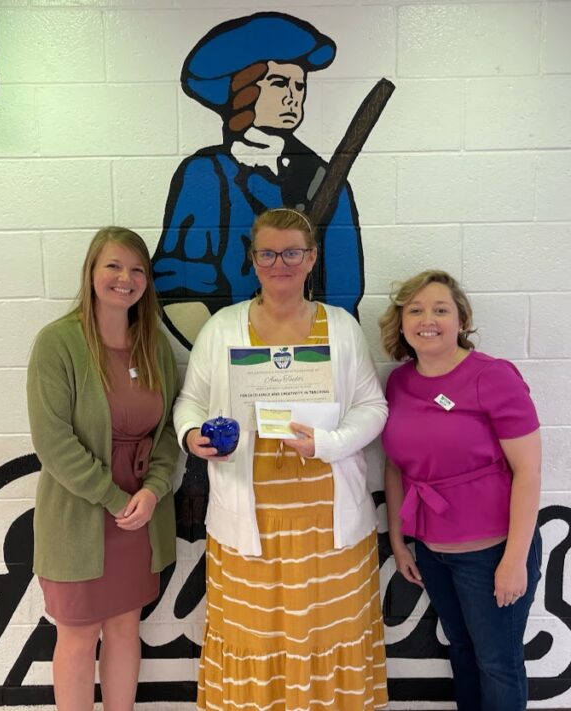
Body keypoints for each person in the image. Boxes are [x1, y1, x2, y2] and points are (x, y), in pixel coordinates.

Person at [173, 207, 388, 710]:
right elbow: (191, 401)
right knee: (255, 646)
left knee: (328, 641)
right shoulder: (224, 328)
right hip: (252, 529)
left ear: (311, 258)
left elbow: (372, 407)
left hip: (327, 530)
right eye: (268, 252)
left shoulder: (341, 328)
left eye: (293, 251)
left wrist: (328, 444)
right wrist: (191, 435)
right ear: (252, 259)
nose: (281, 263)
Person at [26, 227, 180, 711]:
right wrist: (117, 500)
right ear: (91, 272)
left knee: (124, 627)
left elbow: (168, 434)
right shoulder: (58, 344)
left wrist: (153, 491)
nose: (125, 278)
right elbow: (54, 444)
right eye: (113, 266)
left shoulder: (153, 346)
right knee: (77, 634)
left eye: (137, 269)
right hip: (80, 516)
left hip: (140, 514)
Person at [380, 270, 542, 711]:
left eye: (440, 309)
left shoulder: (493, 377)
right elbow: (394, 467)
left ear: (461, 320)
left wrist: (513, 561)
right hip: (433, 552)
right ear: (401, 322)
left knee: (498, 663)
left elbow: (528, 471)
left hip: (492, 553)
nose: (426, 319)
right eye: (414, 310)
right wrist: (399, 538)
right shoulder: (398, 382)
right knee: (463, 653)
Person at [153, 12, 364, 348]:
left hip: (308, 358)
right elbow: (176, 283)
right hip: (230, 352)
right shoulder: (204, 174)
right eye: (279, 83)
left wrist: (320, 352)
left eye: (299, 85)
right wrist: (225, 351)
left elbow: (343, 289)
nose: (293, 96)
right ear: (242, 89)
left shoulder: (326, 181)